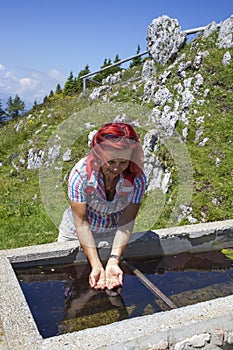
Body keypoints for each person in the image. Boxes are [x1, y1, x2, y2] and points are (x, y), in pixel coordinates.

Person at [58, 122, 146, 293]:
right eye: (110, 161)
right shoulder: (81, 174)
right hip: (75, 233)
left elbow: (127, 221)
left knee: (112, 286)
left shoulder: (137, 178)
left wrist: (113, 260)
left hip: (112, 232)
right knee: (73, 284)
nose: (116, 168)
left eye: (123, 162)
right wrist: (96, 264)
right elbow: (82, 223)